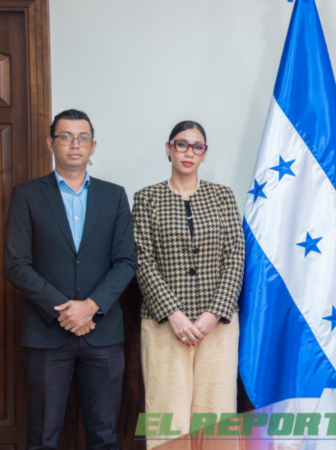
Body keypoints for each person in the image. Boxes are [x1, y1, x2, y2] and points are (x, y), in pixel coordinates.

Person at [4, 109, 137, 449]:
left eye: (82, 138)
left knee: (105, 438)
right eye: (65, 137)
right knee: (42, 439)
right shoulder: (27, 195)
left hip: (103, 333)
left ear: (93, 146)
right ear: (51, 143)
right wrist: (66, 310)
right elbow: (16, 264)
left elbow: (126, 261)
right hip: (46, 333)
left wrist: (90, 306)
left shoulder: (114, 195)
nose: (74, 144)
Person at [132, 121, 244, 447]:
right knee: (166, 411)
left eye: (197, 147)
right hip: (164, 324)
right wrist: (173, 313)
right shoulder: (147, 198)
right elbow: (142, 259)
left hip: (217, 325)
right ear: (168, 149)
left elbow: (236, 257)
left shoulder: (222, 196)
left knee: (216, 413)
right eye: (181, 144)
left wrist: (214, 313)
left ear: (204, 154)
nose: (189, 152)